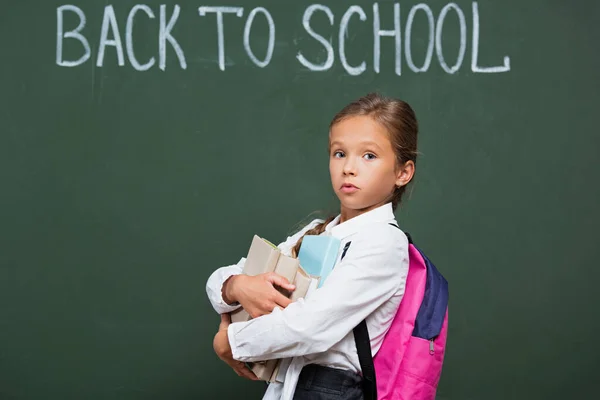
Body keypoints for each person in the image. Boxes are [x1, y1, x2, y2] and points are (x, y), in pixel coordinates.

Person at [206, 92, 418, 400]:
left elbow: (310, 326)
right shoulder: (316, 232)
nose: (349, 168)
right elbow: (224, 278)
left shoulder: (384, 243)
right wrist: (235, 286)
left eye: (369, 156)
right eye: (339, 153)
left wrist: (231, 342)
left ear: (402, 172)